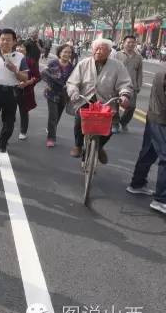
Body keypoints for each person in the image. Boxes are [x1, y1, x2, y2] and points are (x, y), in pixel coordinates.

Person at [66, 38, 132, 163]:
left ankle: (99, 146)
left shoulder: (118, 66)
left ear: (109, 51)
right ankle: (78, 145)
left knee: (111, 127)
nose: (98, 51)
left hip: (107, 102)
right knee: (79, 121)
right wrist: (74, 92)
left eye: (102, 49)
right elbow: (72, 82)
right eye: (96, 48)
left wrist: (124, 95)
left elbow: (125, 83)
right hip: (86, 100)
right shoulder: (84, 63)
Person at [0, 29, 29, 167]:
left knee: (9, 124)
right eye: (2, 39)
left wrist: (15, 70)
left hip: (11, 92)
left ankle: (3, 142)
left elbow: (25, 77)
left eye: (8, 39)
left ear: (14, 41)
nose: (5, 42)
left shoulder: (20, 57)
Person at [126, 68, 166, 214]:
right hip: (161, 120)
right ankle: (161, 199)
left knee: (149, 152)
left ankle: (137, 184)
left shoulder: (161, 72)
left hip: (154, 116)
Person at [41, 44, 75, 147]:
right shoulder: (53, 63)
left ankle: (51, 128)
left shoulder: (72, 67)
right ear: (60, 53)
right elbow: (43, 74)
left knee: (58, 116)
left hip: (64, 95)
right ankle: (51, 138)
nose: (67, 54)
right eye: (65, 52)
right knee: (53, 116)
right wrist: (48, 83)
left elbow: (74, 81)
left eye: (69, 52)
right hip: (52, 93)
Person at [114, 35, 143, 133]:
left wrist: (139, 85)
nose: (131, 44)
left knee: (132, 107)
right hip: (117, 85)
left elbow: (139, 72)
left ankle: (124, 122)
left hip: (132, 86)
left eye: (133, 42)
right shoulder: (117, 55)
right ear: (123, 43)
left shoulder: (138, 57)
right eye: (128, 42)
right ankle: (115, 123)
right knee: (115, 105)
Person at [14, 41, 40, 141]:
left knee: (23, 112)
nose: (19, 49)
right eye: (18, 47)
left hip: (25, 91)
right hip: (11, 90)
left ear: (26, 50)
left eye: (22, 47)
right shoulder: (10, 59)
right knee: (9, 111)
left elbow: (37, 77)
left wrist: (27, 83)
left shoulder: (31, 62)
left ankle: (23, 131)